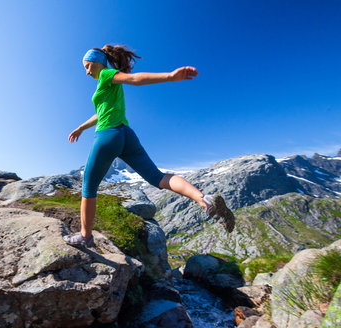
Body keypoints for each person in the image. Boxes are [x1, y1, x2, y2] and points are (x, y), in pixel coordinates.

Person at [63, 45, 235, 247]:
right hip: (127, 135)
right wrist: (81, 128)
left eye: (87, 66)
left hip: (108, 134)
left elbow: (135, 79)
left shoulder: (107, 74)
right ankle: (204, 200)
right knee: (158, 177)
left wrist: (170, 76)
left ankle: (85, 236)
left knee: (89, 186)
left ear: (97, 62)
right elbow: (100, 113)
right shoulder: (107, 85)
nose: (86, 71)